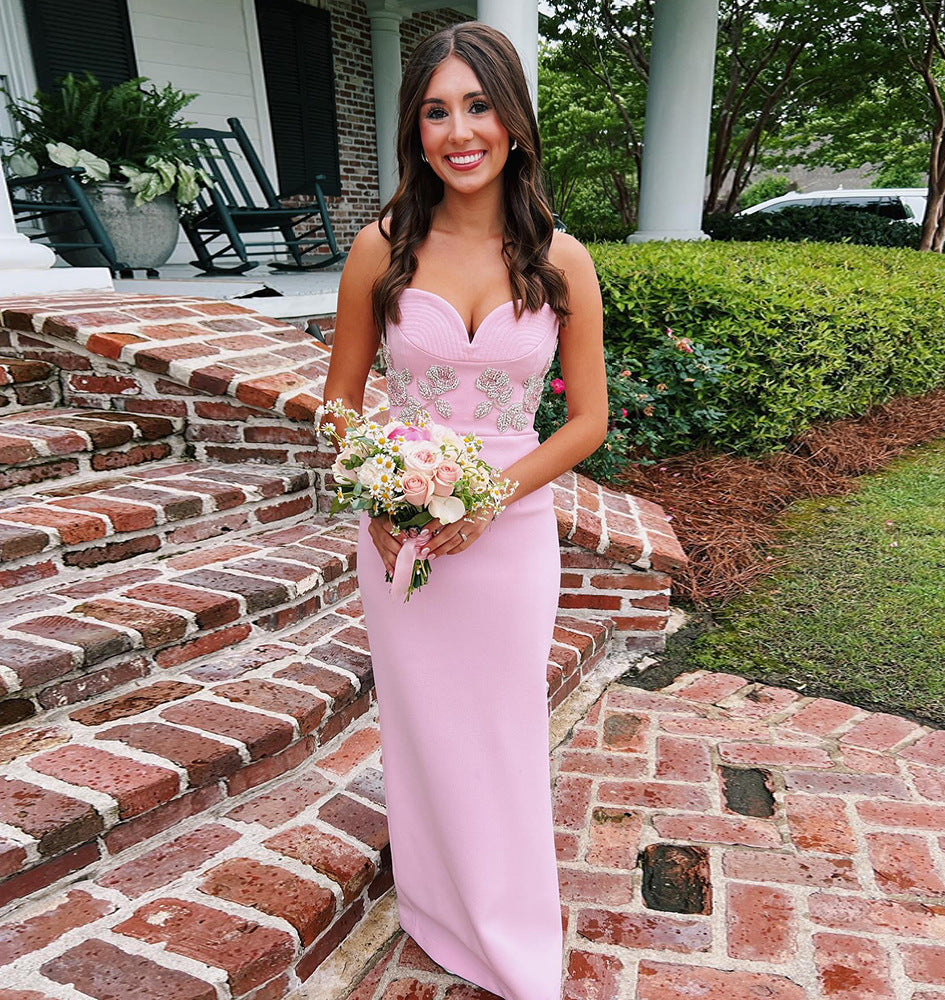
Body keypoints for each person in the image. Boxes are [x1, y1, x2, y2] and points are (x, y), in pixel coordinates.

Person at [321, 21, 608, 1000]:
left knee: (502, 730)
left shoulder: (562, 259)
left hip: (510, 534)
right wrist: (375, 496)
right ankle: (437, 907)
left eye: (478, 106)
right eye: (437, 111)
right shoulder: (381, 247)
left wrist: (488, 498)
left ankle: (513, 932)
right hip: (404, 533)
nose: (460, 131)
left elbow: (587, 420)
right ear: (416, 127)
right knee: (424, 726)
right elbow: (340, 400)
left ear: (513, 119)